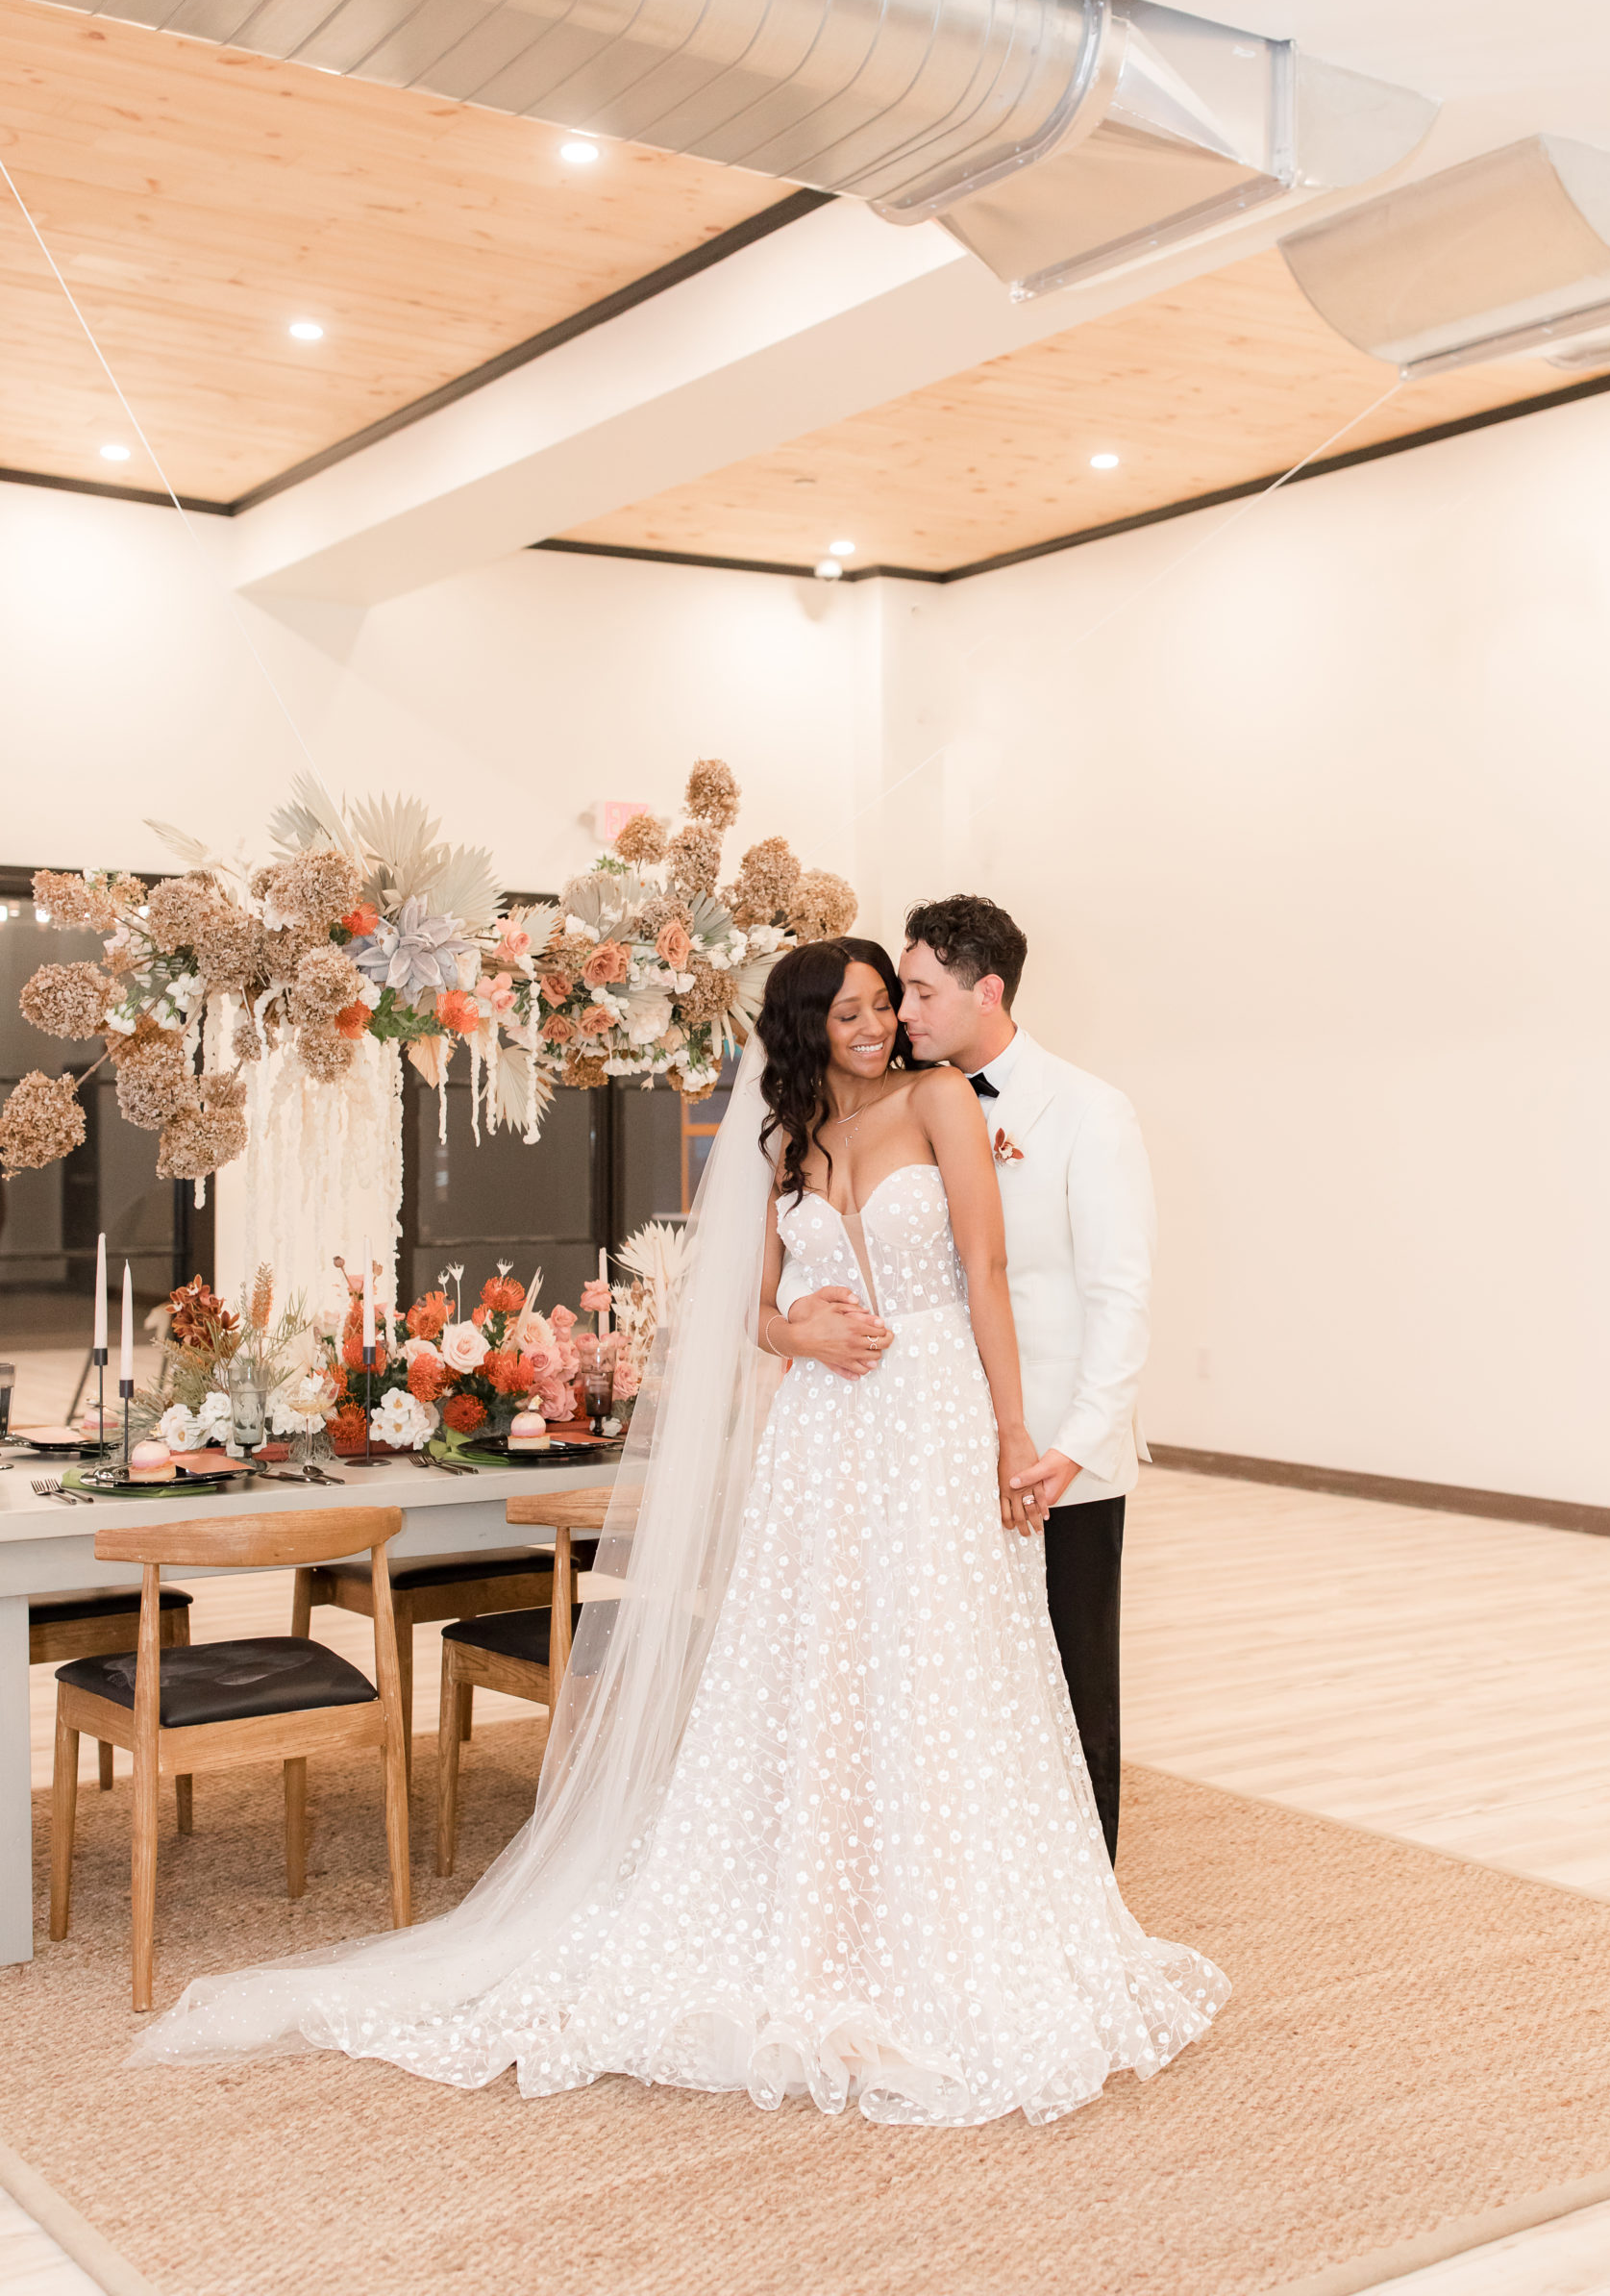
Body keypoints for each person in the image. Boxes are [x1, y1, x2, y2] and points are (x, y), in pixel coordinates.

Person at [133, 937, 1223, 2125]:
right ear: (807, 1028)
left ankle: (933, 1917)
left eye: (885, 1008)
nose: (879, 1027)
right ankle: (817, 1910)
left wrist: (1016, 1433)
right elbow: (744, 1307)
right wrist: (798, 1332)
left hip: (929, 1418)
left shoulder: (940, 1099)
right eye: (854, 1012)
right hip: (821, 1436)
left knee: (942, 1663)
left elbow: (987, 1267)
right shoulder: (785, 1141)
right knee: (813, 1669)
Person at [894, 896, 1154, 1863]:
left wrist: (1073, 1446)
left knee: (1075, 1682)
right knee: (965, 1684)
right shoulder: (909, 1105)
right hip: (941, 1439)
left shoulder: (1091, 1112)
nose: (906, 1010)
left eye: (923, 990)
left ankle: (1089, 1900)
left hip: (1055, 1453)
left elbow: (1120, 1298)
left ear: (985, 989)